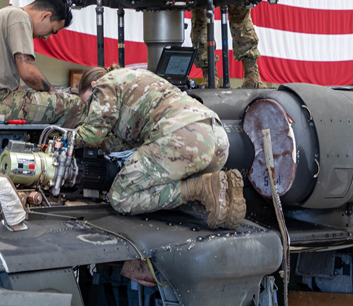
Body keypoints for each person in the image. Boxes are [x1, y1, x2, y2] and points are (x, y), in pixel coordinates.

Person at [75, 65, 246, 229]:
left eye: (89, 103)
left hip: (182, 137)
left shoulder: (105, 84)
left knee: (121, 197)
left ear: (93, 85)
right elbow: (123, 141)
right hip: (217, 138)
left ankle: (199, 188)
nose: (91, 109)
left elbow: (92, 133)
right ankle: (225, 205)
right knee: (170, 190)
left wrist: (66, 140)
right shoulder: (132, 79)